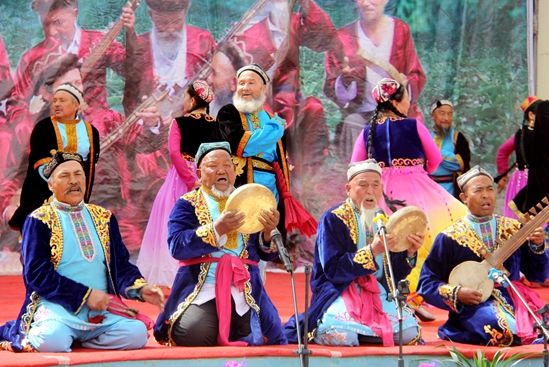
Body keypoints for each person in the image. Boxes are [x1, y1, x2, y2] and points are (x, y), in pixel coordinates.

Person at [0, 152, 164, 352]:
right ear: (51, 185)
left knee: (136, 334)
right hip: (57, 309)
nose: (74, 181)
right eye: (65, 176)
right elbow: (37, 274)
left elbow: (120, 265)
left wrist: (140, 289)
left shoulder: (103, 217)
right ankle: (67, 335)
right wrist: (85, 296)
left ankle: (82, 338)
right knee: (51, 340)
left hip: (102, 310)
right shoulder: (38, 219)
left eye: (78, 174)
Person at [350, 78, 467, 320]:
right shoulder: (414, 126)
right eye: (406, 98)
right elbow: (434, 161)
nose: (408, 103)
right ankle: (414, 296)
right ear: (395, 101)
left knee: (388, 245)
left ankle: (393, 296)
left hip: (380, 193)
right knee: (433, 237)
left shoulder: (366, 132)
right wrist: (415, 169)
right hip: (416, 190)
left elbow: (355, 166)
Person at [154, 142, 287, 346]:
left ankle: (228, 325)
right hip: (202, 285)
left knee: (264, 334)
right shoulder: (187, 203)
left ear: (235, 171)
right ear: (199, 172)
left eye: (227, 165)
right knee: (193, 334)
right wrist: (217, 230)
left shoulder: (249, 200)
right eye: (213, 165)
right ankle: (218, 323)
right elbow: (177, 246)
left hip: (244, 287)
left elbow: (263, 254)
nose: (221, 170)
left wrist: (268, 233)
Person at [285, 159, 422, 346]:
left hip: (377, 291)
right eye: (363, 185)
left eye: (375, 185)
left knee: (409, 334)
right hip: (340, 290)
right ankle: (367, 333)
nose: (370, 191)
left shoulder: (385, 220)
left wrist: (410, 253)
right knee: (342, 337)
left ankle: (367, 333)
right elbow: (333, 269)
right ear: (348, 188)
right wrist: (372, 251)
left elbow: (393, 273)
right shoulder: (333, 218)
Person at [418, 166, 548, 346]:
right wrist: (457, 293)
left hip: (515, 297)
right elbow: (426, 283)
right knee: (499, 328)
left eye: (490, 189)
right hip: (475, 304)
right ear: (464, 198)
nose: (486, 195)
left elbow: (537, 275)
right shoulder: (450, 238)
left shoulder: (514, 228)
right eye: (478, 190)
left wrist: (537, 245)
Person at [137, 80, 218, 287]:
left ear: (192, 100)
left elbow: (174, 152)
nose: (183, 102)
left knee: (174, 221)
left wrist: (191, 180)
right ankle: (201, 270)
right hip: (209, 176)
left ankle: (172, 273)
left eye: (184, 97)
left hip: (181, 179)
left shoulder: (179, 122)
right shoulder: (215, 124)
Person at [324, 0, 426, 159]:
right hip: (361, 114)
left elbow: (415, 74)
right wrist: (345, 81)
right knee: (352, 123)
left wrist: (405, 88)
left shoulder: (400, 31)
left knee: (403, 131)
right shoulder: (343, 37)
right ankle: (359, 178)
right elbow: (331, 85)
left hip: (395, 113)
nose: (366, 3)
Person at [8, 83, 99, 232]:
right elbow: (40, 161)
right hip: (46, 189)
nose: (57, 104)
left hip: (78, 190)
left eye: (62, 100)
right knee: (44, 233)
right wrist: (59, 180)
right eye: (55, 100)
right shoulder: (43, 127)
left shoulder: (91, 131)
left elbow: (91, 162)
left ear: (76, 104)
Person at [495, 96, 537, 220]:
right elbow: (502, 152)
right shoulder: (522, 134)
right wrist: (503, 175)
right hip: (524, 181)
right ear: (531, 115)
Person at [428, 99, 471, 198]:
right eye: (442, 114)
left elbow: (459, 165)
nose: (446, 118)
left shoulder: (458, 138)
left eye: (450, 114)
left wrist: (433, 150)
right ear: (433, 116)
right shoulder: (427, 137)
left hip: (452, 191)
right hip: (429, 190)